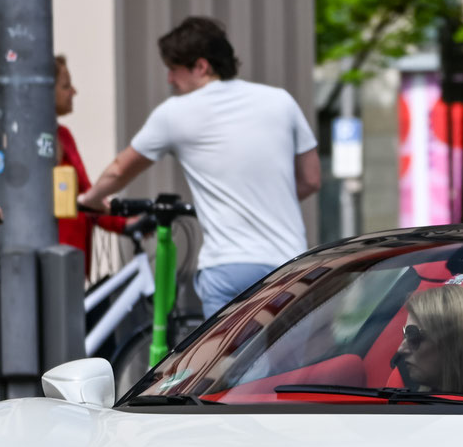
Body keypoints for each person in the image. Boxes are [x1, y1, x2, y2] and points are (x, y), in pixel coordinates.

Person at [78, 17, 321, 316]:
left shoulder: (175, 113)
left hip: (229, 268)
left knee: (227, 363)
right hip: (291, 265)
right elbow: (311, 179)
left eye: (173, 68)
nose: (169, 78)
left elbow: (118, 170)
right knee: (292, 363)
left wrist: (89, 200)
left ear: (201, 67)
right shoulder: (281, 101)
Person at [0, 54, 130, 274]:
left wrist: (126, 223)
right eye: (66, 86)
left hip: (67, 263)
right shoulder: (10, 139)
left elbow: (88, 196)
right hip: (25, 267)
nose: (74, 91)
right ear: (45, 93)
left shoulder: (64, 136)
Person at [392, 285, 463, 394]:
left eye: (414, 336)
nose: (401, 349)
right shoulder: (403, 399)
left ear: (456, 345)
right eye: (405, 334)